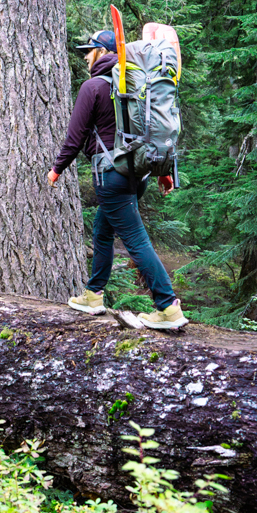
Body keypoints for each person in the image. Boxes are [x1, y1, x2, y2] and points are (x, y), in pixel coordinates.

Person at [47, 29, 188, 330]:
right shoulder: (133, 86)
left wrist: (57, 169)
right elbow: (148, 130)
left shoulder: (94, 86)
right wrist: (163, 172)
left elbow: (75, 136)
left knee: (135, 238)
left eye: (89, 50)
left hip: (112, 176)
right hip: (138, 173)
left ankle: (167, 307)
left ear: (101, 52)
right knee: (102, 228)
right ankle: (93, 294)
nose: (85, 56)